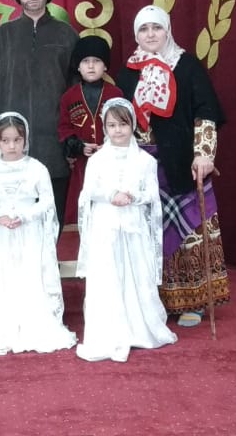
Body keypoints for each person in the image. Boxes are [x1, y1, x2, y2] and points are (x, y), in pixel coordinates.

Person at [114, 5, 229, 327]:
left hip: (181, 161)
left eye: (157, 28)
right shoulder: (128, 72)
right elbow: (118, 119)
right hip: (142, 167)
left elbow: (206, 112)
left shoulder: (187, 66)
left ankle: (194, 302)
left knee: (189, 232)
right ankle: (153, 303)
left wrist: (204, 154)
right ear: (136, 35)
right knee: (148, 233)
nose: (150, 34)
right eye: (143, 29)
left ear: (168, 30)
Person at [0, 0, 79, 228]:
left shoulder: (66, 35)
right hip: (10, 145)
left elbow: (78, 91)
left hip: (54, 144)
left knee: (50, 220)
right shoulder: (4, 35)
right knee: (10, 221)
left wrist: (74, 137)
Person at [75, 99, 177, 362]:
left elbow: (152, 195)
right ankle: (109, 331)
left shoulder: (145, 161)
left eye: (123, 124)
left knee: (135, 273)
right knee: (107, 274)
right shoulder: (97, 160)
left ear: (132, 125)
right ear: (104, 127)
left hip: (134, 226)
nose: (118, 130)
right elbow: (89, 192)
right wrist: (111, 195)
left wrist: (132, 197)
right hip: (105, 224)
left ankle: (138, 328)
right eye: (111, 125)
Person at [0, 112, 77, 355]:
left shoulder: (36, 168)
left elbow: (47, 200)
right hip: (3, 231)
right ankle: (7, 323)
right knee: (5, 273)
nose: (12, 146)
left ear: (25, 139)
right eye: (5, 140)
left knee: (29, 272)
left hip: (29, 229)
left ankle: (34, 321)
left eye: (17, 140)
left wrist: (25, 215)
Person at [57, 35, 123, 225]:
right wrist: (79, 146)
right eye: (85, 61)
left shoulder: (115, 94)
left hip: (112, 165)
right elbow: (64, 128)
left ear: (105, 66)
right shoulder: (69, 97)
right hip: (82, 166)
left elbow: (125, 125)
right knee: (81, 209)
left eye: (97, 61)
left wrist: (109, 146)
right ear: (78, 66)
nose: (91, 66)